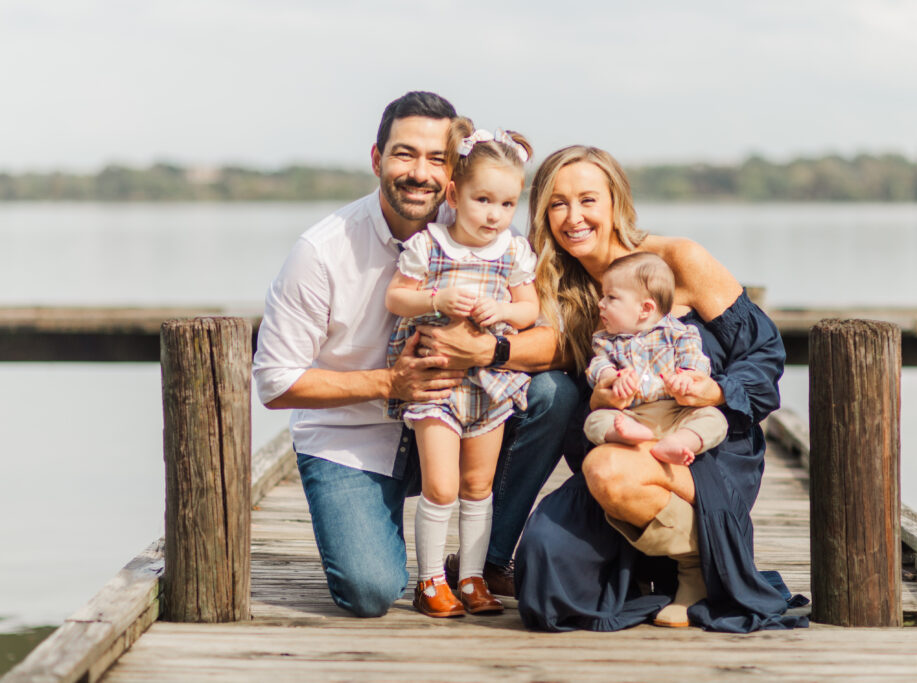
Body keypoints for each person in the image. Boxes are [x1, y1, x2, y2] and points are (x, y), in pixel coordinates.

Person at [252, 92, 578, 619]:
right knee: (371, 589)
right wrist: (390, 383)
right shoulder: (322, 251)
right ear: (377, 159)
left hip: (467, 413)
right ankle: (420, 570)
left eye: (436, 158)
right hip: (354, 438)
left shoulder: (484, 224)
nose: (419, 172)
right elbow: (273, 383)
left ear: (455, 174)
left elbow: (550, 341)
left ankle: (483, 565)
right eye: (405, 154)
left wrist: (487, 347)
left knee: (554, 393)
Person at [514, 145, 808, 633]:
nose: (573, 217)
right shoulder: (556, 291)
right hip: (628, 439)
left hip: (705, 445)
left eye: (588, 200)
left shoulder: (677, 261)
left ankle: (709, 558)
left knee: (608, 472)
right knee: (544, 577)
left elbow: (766, 355)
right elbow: (550, 368)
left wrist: (713, 392)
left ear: (615, 203)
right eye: (557, 203)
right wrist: (602, 397)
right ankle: (693, 556)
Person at [384, 119, 538, 617]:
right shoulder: (430, 245)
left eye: (507, 204)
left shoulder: (513, 250)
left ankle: (470, 577)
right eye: (483, 200)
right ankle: (429, 581)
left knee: (478, 487)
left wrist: (508, 314)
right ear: (454, 193)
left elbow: (529, 308)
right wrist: (437, 296)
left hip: (490, 386)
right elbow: (396, 297)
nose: (495, 215)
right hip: (436, 381)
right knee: (442, 486)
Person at [583, 251, 727, 473]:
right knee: (594, 421)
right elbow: (598, 366)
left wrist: (686, 377)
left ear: (645, 308)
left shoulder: (679, 333)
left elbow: (695, 359)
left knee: (715, 419)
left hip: (677, 411)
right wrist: (612, 379)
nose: (601, 303)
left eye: (611, 297)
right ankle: (627, 435)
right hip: (632, 414)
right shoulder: (606, 341)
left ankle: (679, 442)